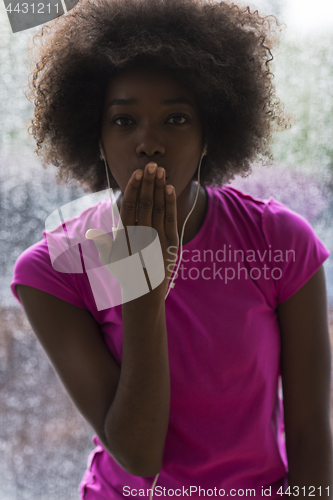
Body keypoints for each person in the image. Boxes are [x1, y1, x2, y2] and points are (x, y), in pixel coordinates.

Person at [11, 0, 333, 498]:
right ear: (94, 136)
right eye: (123, 121)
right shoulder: (53, 269)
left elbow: (312, 437)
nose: (149, 142)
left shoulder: (281, 242)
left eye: (177, 119)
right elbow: (139, 456)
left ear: (211, 135)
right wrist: (143, 293)